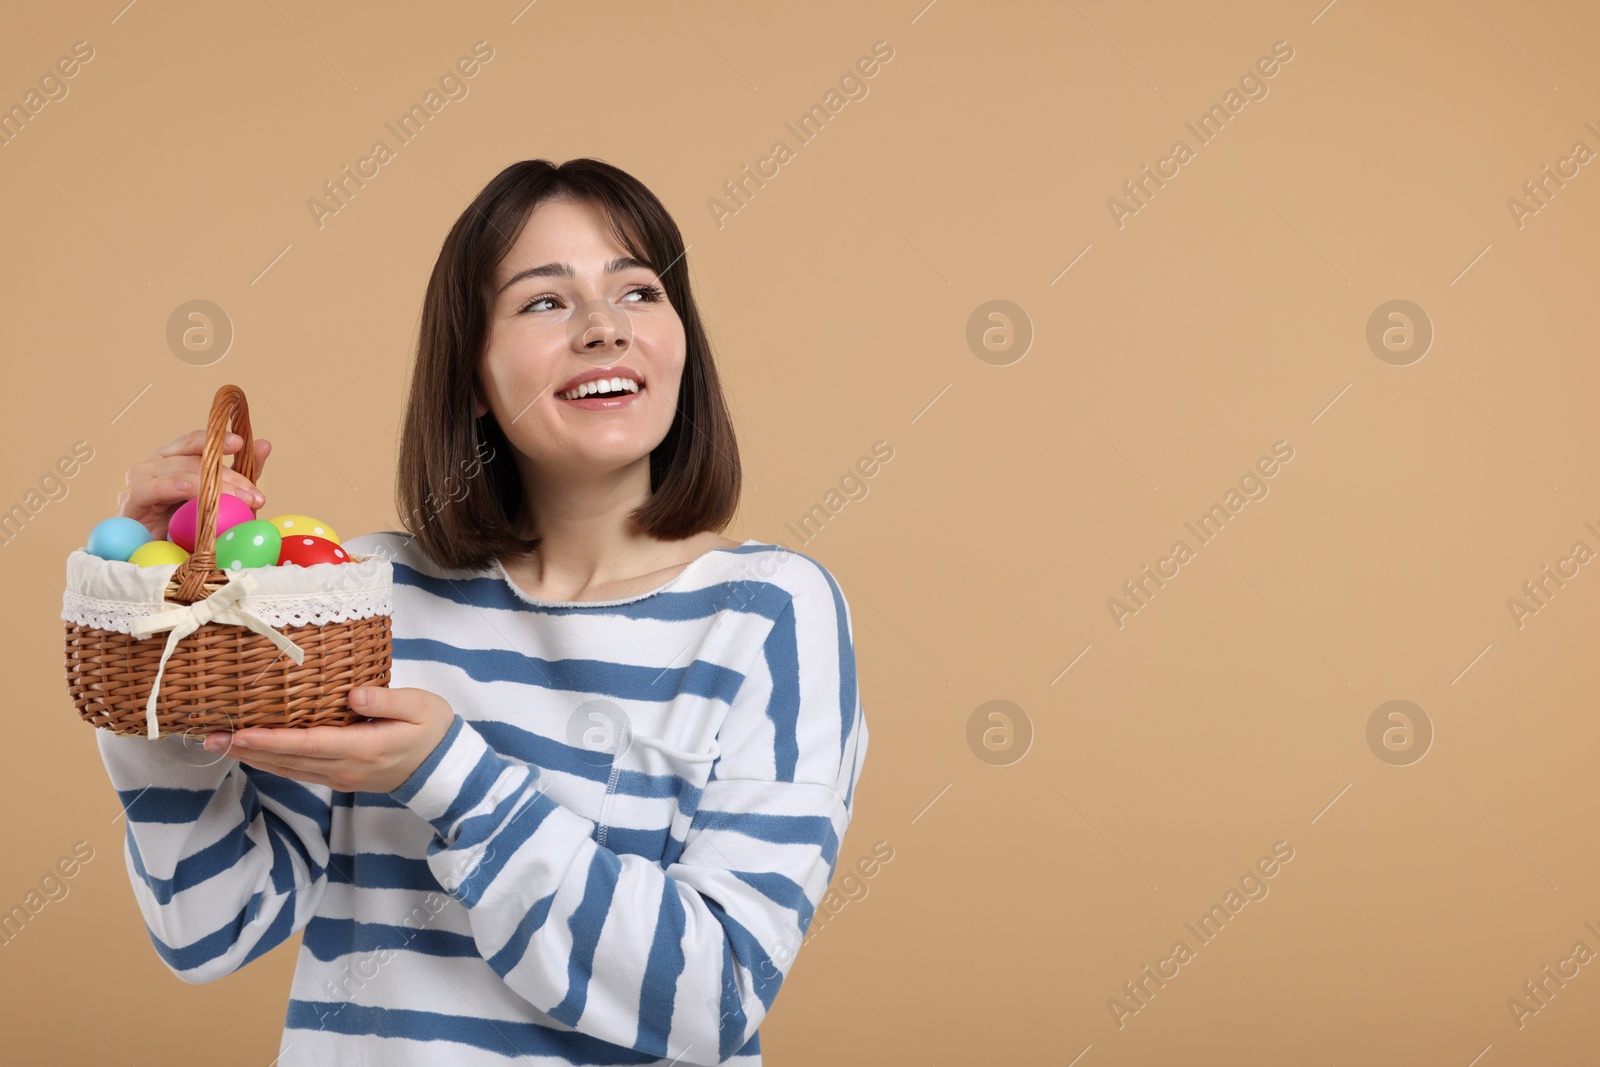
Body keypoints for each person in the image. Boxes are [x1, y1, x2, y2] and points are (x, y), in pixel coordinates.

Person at [98, 158, 868, 1066]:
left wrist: (449, 775)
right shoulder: (371, 593)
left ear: (681, 343)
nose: (604, 328)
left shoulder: (769, 615)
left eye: (640, 292)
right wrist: (156, 635)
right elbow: (210, 928)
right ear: (471, 375)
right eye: (545, 302)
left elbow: (712, 1000)